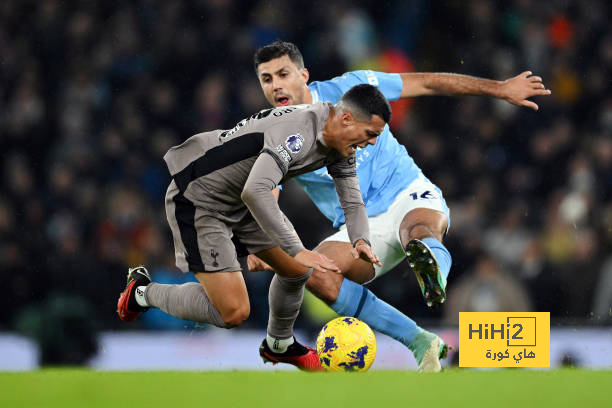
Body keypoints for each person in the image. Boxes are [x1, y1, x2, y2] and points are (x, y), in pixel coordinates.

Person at [249, 41, 551, 372]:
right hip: (360, 228)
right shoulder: (274, 137)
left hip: (406, 192)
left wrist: (500, 88)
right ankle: (421, 341)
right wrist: (262, 243)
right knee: (316, 275)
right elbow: (266, 192)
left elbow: (426, 82)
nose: (276, 85)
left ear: (303, 75)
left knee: (417, 233)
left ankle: (433, 268)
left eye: (283, 74)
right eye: (267, 79)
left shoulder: (352, 88)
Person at [116, 84, 390, 371]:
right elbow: (256, 190)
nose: (371, 142)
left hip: (242, 199)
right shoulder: (299, 133)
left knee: (296, 271)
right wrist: (295, 249)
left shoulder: (339, 144)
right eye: (370, 134)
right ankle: (142, 293)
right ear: (347, 119)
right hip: (201, 200)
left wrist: (361, 240)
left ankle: (279, 345)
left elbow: (352, 199)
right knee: (234, 312)